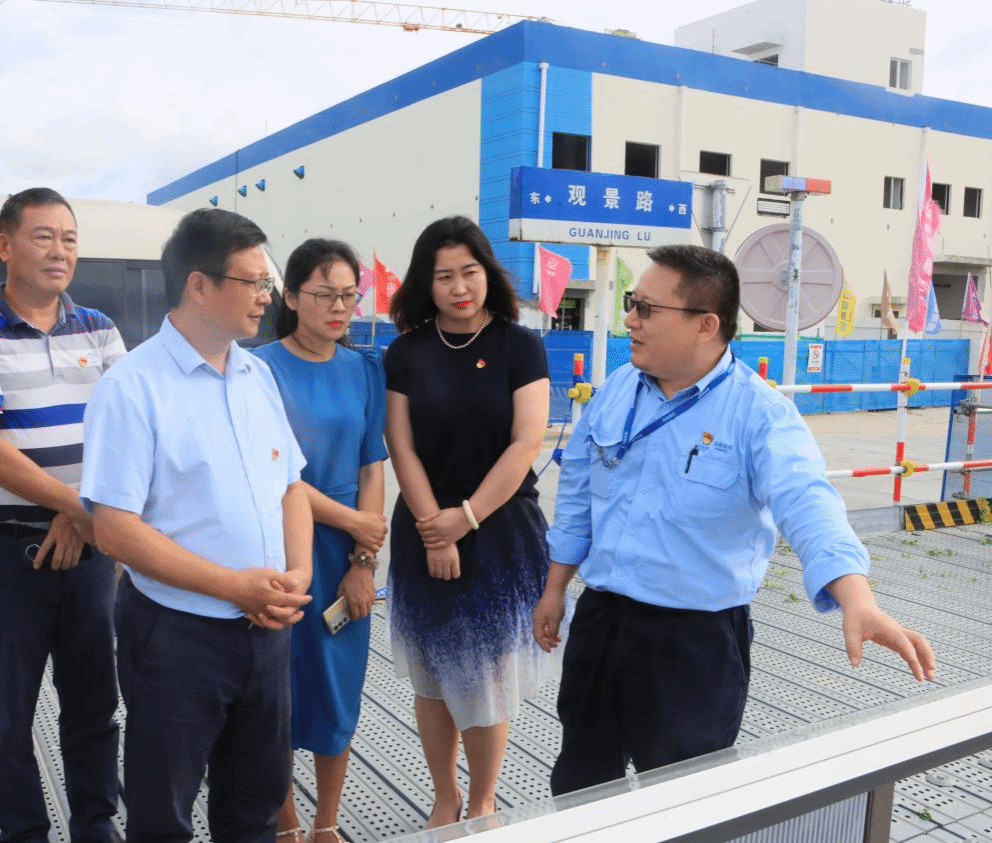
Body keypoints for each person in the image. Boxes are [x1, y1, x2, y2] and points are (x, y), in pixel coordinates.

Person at [535, 244, 937, 796]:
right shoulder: (618, 390)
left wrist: (857, 599)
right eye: (632, 303)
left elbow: (808, 500)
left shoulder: (760, 414)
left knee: (684, 799)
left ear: (706, 325)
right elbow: (579, 490)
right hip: (603, 619)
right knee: (581, 782)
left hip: (693, 641)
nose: (630, 320)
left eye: (646, 309)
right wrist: (556, 587)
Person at [80, 208, 314, 843]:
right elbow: (114, 530)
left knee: (255, 808)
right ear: (199, 284)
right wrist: (233, 587)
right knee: (163, 815)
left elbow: (291, 485)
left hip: (267, 630)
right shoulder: (132, 388)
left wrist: (298, 572)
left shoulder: (256, 374)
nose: (267, 296)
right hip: (176, 636)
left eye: (267, 282)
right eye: (254, 281)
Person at [0, 188, 123, 843]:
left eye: (69, 238)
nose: (60, 250)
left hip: (90, 552)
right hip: (5, 553)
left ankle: (96, 824)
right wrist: (76, 505)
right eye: (44, 236)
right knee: (8, 717)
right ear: (5, 246)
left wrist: (77, 515)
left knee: (95, 705)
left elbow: (126, 433)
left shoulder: (98, 327)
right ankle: (23, 833)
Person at [383, 216, 551, 826]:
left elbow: (526, 441)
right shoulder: (405, 352)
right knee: (431, 672)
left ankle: (482, 800)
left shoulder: (520, 344)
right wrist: (435, 527)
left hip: (499, 528)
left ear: (488, 273)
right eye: (444, 276)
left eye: (470, 272)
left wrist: (467, 518)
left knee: (485, 673)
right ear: (424, 284)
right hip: (423, 526)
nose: (459, 287)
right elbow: (400, 446)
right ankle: (444, 795)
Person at [251, 239, 388, 843]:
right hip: (279, 546)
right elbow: (275, 475)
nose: (339, 308)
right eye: (324, 294)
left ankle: (326, 823)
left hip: (345, 555)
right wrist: (354, 522)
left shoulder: (364, 370)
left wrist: (363, 559)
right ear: (289, 297)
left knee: (338, 687)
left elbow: (371, 467)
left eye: (349, 296)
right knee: (275, 689)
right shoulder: (256, 369)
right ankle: (286, 827)